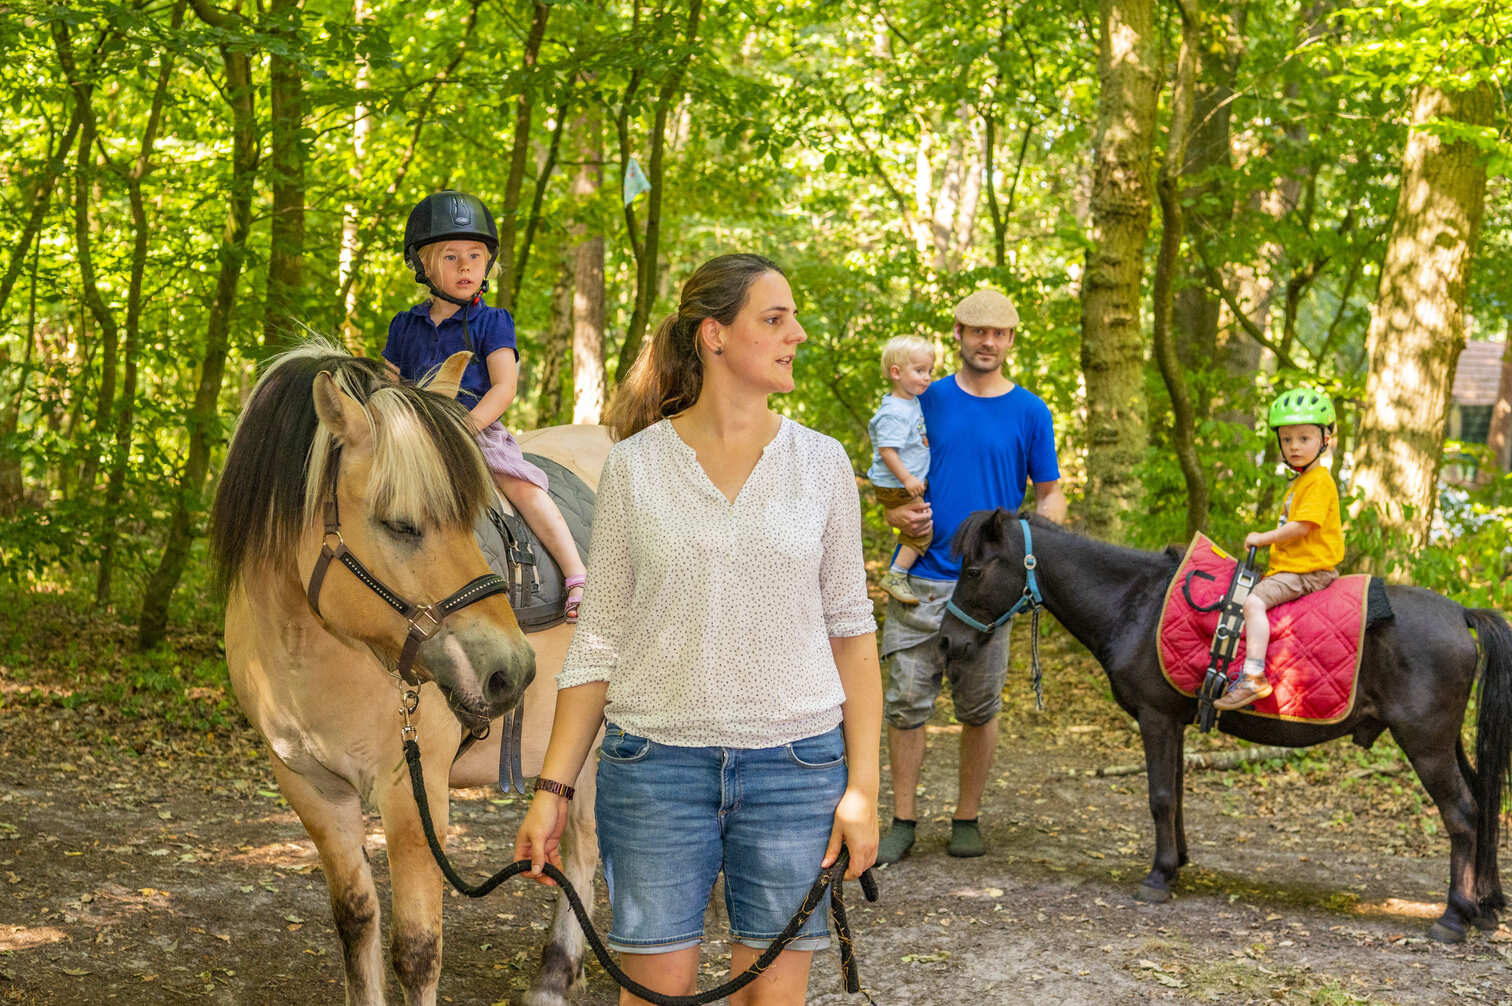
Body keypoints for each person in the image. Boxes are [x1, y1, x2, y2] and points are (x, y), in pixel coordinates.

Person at [513, 254, 881, 1006]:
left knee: (769, 999)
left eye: (792, 319)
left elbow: (852, 633)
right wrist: (551, 789)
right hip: (654, 770)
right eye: (773, 319)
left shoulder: (822, 464)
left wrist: (864, 789)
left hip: (796, 770)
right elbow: (600, 641)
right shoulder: (636, 467)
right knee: (655, 994)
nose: (796, 335)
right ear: (714, 334)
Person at [875, 288, 1066, 865]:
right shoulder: (922, 397)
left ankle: (966, 818)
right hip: (920, 579)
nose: (988, 342)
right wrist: (891, 511)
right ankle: (902, 820)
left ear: (1010, 340)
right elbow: (888, 467)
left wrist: (1033, 542)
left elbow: (1051, 495)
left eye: (999, 333)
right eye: (977, 331)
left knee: (979, 707)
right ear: (957, 333)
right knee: (906, 705)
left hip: (989, 592)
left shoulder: (1030, 411)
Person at [384, 190, 586, 620]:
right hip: (414, 432)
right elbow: (389, 383)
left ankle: (575, 574)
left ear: (487, 265)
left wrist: (467, 426)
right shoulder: (404, 325)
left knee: (520, 486)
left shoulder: (491, 322)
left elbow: (504, 387)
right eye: (451, 257)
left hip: (474, 427)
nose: (465, 267)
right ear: (423, 265)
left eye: (475, 256)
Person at [1214, 388, 1344, 711]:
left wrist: (1263, 537)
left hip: (1306, 570)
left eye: (1304, 438)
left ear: (1325, 439)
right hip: (1294, 567)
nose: (1294, 447)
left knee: (1254, 602)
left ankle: (1254, 676)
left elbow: (1302, 527)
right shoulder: (1302, 481)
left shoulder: (1319, 481)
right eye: (1287, 440)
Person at [867, 335, 936, 606]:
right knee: (923, 529)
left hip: (901, 482)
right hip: (895, 484)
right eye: (919, 371)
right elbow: (887, 451)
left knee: (916, 525)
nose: (927, 377)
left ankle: (898, 572)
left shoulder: (910, 401)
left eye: (929, 371)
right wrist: (907, 479)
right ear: (896, 373)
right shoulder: (895, 411)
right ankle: (897, 574)